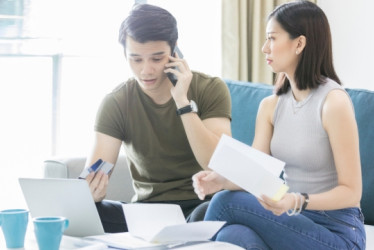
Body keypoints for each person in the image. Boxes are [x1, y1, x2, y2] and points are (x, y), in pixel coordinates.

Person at [192, 1, 366, 249]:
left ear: (299, 43)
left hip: (337, 230)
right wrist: (220, 180)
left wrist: (294, 200)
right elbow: (256, 174)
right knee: (233, 236)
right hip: (293, 222)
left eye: (272, 38)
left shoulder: (333, 103)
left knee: (224, 203)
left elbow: (351, 192)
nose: (264, 48)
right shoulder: (270, 106)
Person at [84, 3, 232, 233]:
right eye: (136, 59)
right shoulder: (116, 102)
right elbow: (95, 172)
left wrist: (182, 102)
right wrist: (91, 192)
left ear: (174, 52)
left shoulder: (209, 88)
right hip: (146, 213)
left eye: (156, 58)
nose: (146, 71)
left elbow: (218, 165)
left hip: (202, 207)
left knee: (216, 209)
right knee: (87, 214)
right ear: (125, 54)